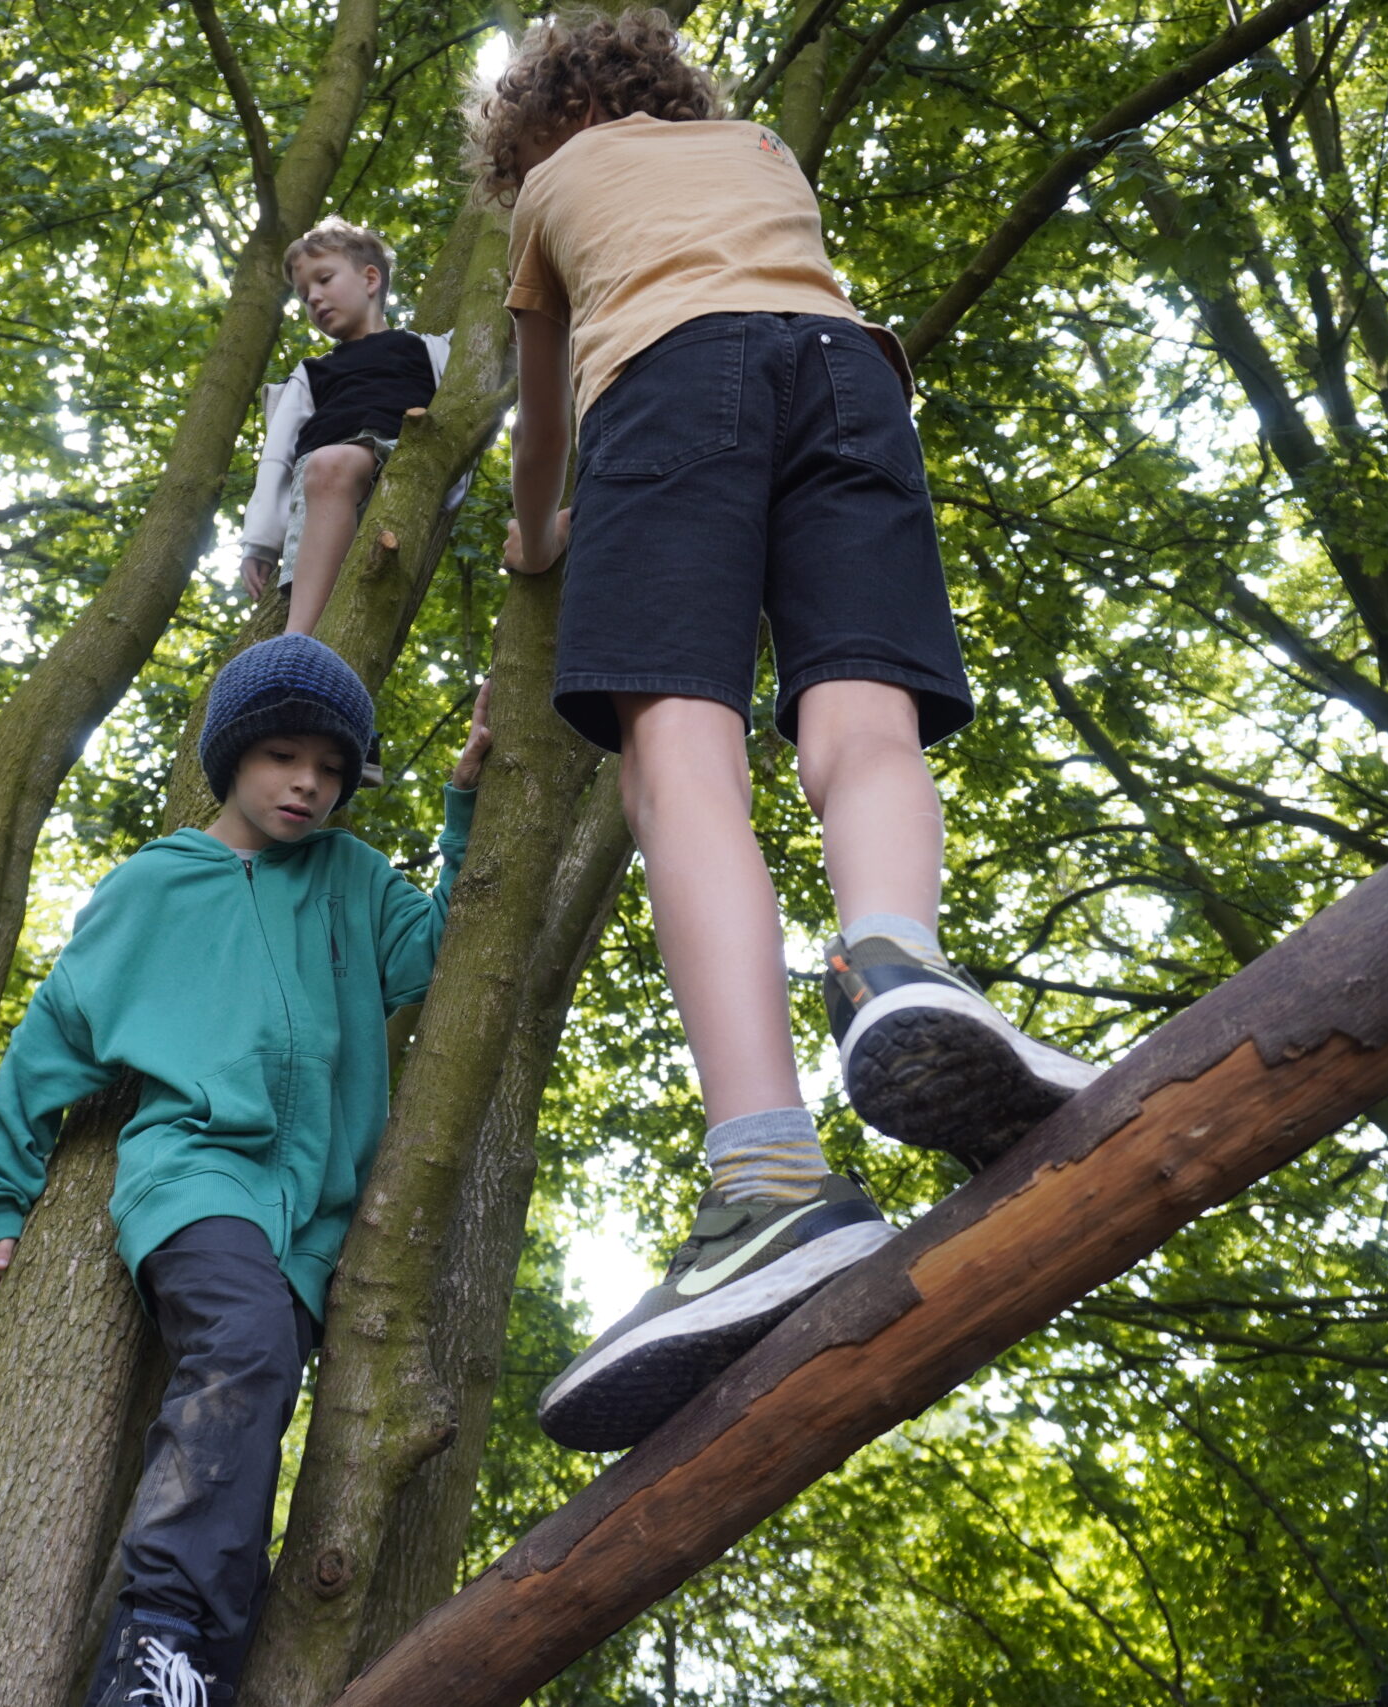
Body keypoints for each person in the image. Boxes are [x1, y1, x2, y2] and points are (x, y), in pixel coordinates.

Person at [468, 9, 1104, 1453]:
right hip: (851, 377)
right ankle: (895, 955)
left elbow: (542, 410)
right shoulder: (757, 150)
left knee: (679, 759)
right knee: (861, 710)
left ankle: (767, 1175)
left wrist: (532, 534)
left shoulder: (559, 195)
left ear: (534, 138)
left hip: (668, 384)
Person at [0, 634, 490, 1705]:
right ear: (234, 755)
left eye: (332, 769)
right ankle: (156, 1646)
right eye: (284, 756)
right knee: (243, 1348)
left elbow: (439, 949)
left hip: (315, 1224)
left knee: (258, 1401)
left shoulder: (350, 877)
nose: (308, 783)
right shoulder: (151, 889)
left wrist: (465, 809)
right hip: (196, 1178)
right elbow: (46, 1044)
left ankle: (197, 1667)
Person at [238, 217, 451, 636]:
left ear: (370, 279)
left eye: (324, 279)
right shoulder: (313, 372)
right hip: (321, 483)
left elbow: (505, 357)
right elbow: (277, 457)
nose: (314, 298)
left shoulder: (430, 349)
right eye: (303, 295)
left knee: (332, 464)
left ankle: (297, 642)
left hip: (402, 460)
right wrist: (261, 541)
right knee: (327, 465)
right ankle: (302, 641)